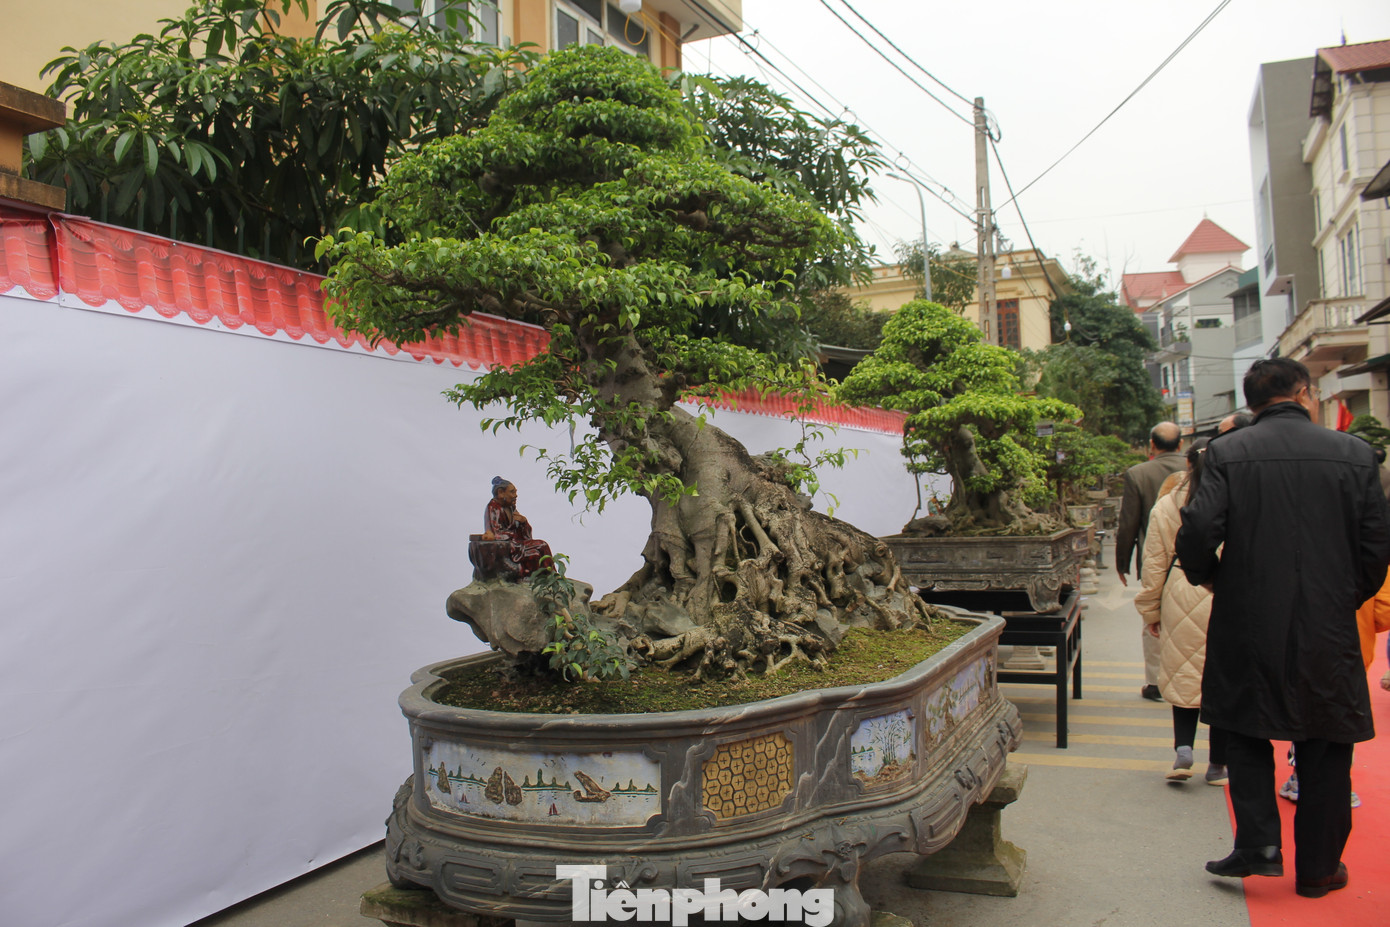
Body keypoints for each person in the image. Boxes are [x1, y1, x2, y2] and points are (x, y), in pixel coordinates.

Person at [1175, 358, 1390, 898]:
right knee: (1327, 740)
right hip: (1328, 620)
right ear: (1304, 393)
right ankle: (1319, 867)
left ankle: (1260, 848)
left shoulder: (1226, 452)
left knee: (1245, 729)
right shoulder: (1356, 454)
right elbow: (1376, 546)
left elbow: (1197, 529)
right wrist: (1344, 597)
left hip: (1247, 615)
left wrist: (1214, 578)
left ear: (1251, 402)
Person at [1134, 438, 1227, 785]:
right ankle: (1218, 764)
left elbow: (1154, 563)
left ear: (1187, 465)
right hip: (1225, 588)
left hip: (1180, 587)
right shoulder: (1234, 499)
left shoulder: (1167, 505)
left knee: (1182, 670)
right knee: (1222, 676)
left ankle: (1184, 750)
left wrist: (1151, 611)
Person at [1116, 421, 1186, 700]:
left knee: (1153, 616)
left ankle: (1156, 682)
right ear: (1181, 444)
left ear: (1152, 445)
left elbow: (1128, 522)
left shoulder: (1138, 473)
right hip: (1195, 556)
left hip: (1155, 557)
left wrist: (1122, 562)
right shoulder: (1197, 468)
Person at [483, 477, 553, 580]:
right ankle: (548, 576)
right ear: (501, 493)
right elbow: (496, 533)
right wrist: (512, 534)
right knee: (540, 547)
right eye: (512, 492)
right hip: (509, 547)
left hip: (516, 544)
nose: (515, 495)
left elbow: (524, 533)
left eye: (515, 492)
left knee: (541, 547)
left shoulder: (510, 507)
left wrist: (523, 522)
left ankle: (550, 576)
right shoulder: (493, 508)